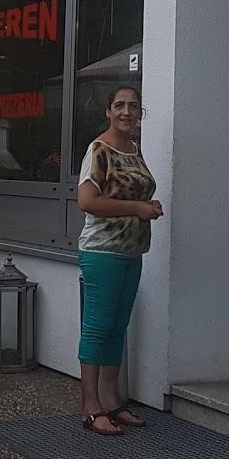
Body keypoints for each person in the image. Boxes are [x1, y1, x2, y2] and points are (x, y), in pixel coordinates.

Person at [75, 84, 163, 435]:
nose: (127, 112)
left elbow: (131, 192)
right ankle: (90, 406)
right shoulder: (100, 149)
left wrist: (149, 208)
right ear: (108, 112)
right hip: (102, 252)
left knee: (116, 328)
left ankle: (112, 402)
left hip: (131, 252)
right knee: (97, 328)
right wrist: (137, 208)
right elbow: (87, 201)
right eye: (120, 106)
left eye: (134, 106)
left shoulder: (134, 150)